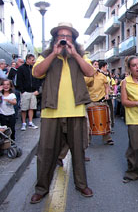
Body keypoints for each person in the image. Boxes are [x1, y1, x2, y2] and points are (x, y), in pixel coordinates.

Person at [30, 22, 95, 204]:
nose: (64, 39)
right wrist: (53, 54)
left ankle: (81, 184)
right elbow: (36, 72)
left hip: (76, 111)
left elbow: (90, 72)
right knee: (46, 153)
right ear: (55, 39)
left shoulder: (81, 55)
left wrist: (75, 54)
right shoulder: (45, 55)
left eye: (68, 37)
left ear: (73, 40)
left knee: (78, 151)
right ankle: (41, 188)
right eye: (61, 36)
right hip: (51, 112)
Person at [84, 60, 114, 145]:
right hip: (90, 102)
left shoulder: (102, 76)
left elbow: (106, 86)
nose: (96, 66)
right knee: (88, 123)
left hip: (101, 101)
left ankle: (108, 138)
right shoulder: (87, 76)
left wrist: (107, 94)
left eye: (97, 65)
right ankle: (88, 140)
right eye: (95, 64)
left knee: (107, 119)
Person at [17, 54, 41, 130]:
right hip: (25, 91)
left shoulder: (34, 68)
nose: (33, 61)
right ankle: (24, 123)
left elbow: (37, 79)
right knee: (24, 108)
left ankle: (30, 122)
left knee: (32, 107)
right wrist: (22, 91)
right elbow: (19, 80)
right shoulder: (21, 68)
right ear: (27, 59)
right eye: (32, 60)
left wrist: (37, 89)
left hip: (33, 91)